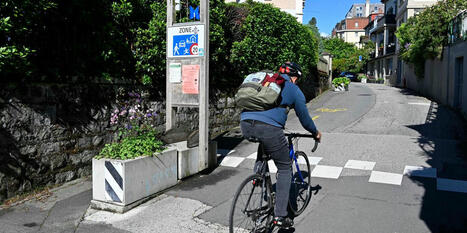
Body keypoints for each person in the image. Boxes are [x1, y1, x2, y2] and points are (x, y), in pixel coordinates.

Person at [240, 61, 322, 228]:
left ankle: (259, 176)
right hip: (269, 129)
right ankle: (280, 216)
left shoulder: (267, 82)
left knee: (263, 142)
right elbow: (304, 118)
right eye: (297, 79)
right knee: (285, 168)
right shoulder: (293, 89)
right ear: (294, 77)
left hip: (245, 124)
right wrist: (315, 133)